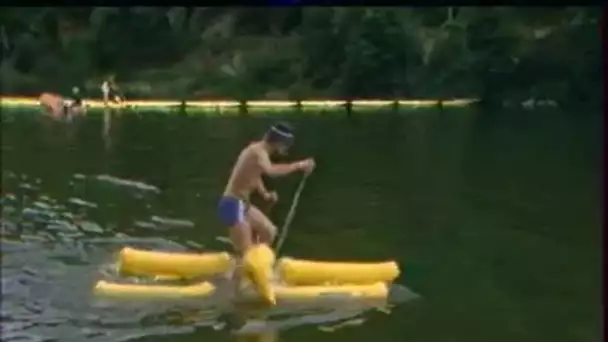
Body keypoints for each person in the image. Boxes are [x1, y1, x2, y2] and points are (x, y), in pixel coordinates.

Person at [218, 122, 315, 293]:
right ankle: (234, 289)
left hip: (244, 205)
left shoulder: (257, 152)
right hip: (232, 205)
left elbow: (254, 174)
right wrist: (298, 166)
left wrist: (264, 194)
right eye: (285, 145)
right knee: (247, 254)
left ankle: (251, 273)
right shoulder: (257, 152)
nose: (285, 150)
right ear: (278, 142)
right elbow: (270, 171)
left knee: (269, 232)